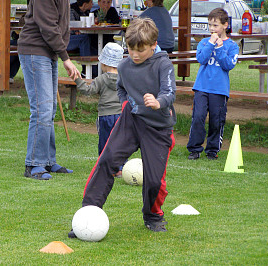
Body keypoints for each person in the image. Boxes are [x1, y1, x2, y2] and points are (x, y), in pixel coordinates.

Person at [69, 18, 177, 237]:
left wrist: (159, 102)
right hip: (130, 120)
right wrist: (127, 104)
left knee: (155, 179)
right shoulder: (124, 66)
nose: (135, 54)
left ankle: (153, 216)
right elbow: (121, 88)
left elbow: (170, 91)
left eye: (141, 50)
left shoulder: (162, 64)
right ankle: (88, 212)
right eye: (131, 49)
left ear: (153, 45)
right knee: (107, 160)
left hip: (157, 126)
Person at [18, 0, 80, 180]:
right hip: (35, 50)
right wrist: (65, 58)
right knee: (42, 110)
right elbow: (48, 26)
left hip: (48, 52)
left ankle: (47, 161)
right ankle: (33, 164)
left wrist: (59, 53)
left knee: (50, 110)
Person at [187, 8, 239, 160]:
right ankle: (195, 149)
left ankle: (212, 150)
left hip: (219, 89)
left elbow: (228, 65)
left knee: (217, 121)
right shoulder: (204, 42)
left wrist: (220, 47)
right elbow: (201, 59)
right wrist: (211, 44)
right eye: (210, 25)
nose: (212, 29)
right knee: (198, 117)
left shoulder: (232, 46)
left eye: (215, 25)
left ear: (225, 25)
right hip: (201, 87)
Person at [74, 42, 124, 177]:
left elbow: (88, 91)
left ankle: (105, 167)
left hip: (105, 116)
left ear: (104, 63)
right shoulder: (124, 78)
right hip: (121, 115)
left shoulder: (101, 79)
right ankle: (119, 168)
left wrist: (78, 80)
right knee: (119, 142)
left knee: (105, 142)